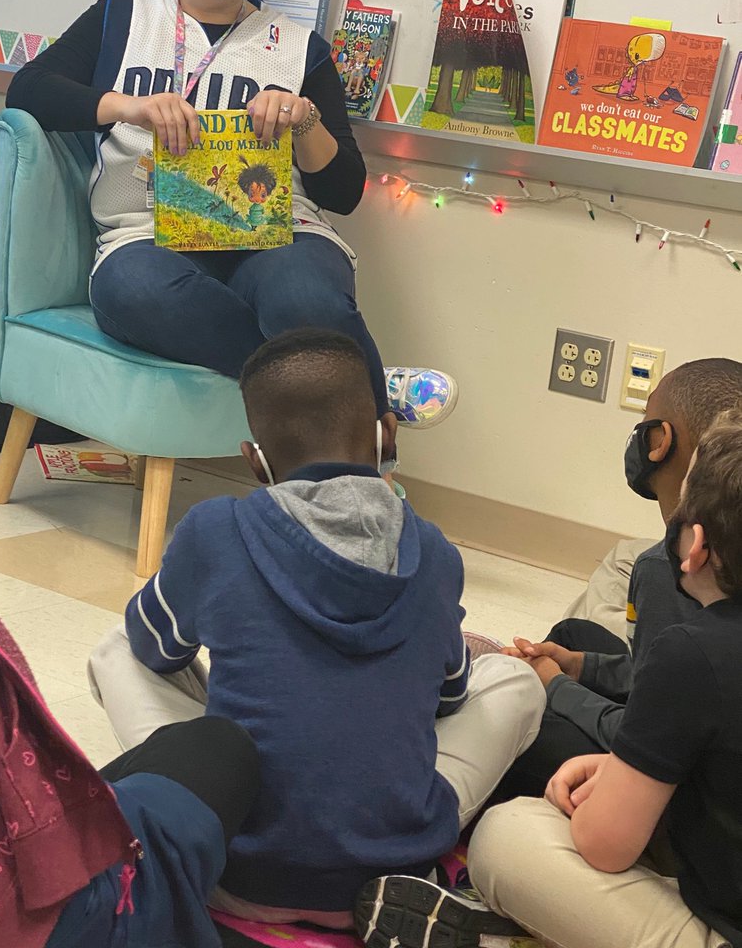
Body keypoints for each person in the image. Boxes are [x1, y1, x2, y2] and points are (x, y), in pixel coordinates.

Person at [88, 329, 545, 926]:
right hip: (393, 867)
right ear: (387, 432)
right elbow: (452, 697)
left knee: (117, 645)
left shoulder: (217, 529)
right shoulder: (435, 553)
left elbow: (153, 648)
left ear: (255, 460)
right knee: (513, 681)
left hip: (236, 867)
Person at [5, 0, 455, 434]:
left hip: (277, 231)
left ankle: (352, 408)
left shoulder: (299, 46)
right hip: (147, 232)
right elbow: (28, 91)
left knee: (307, 300)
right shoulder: (122, 16)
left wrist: (303, 118)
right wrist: (129, 107)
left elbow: (342, 193)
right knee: (134, 292)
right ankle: (362, 392)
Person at [0, 481, 259, 948]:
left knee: (134, 656)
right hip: (41, 914)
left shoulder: (220, 527)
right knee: (211, 741)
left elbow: (155, 642)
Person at [465, 407, 742, 948]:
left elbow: (604, 845)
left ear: (697, 546)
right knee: (577, 634)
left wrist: (560, 693)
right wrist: (578, 675)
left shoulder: (693, 652)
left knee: (505, 835)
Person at [493, 357, 742, 800]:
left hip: (679, 786)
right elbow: (672, 684)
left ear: (661, 440)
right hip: (697, 720)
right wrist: (575, 665)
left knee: (519, 726)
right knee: (575, 636)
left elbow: (647, 737)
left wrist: (557, 688)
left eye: (646, 422)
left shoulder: (664, 572)